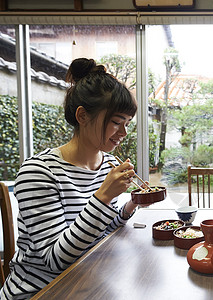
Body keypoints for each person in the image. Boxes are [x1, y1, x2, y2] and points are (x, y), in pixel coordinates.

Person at [1, 58, 141, 299]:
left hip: (88, 281)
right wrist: (103, 196)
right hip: (40, 291)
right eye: (117, 122)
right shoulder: (39, 172)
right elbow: (56, 260)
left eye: (127, 123)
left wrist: (132, 204)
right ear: (82, 116)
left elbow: (102, 230)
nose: (124, 133)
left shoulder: (108, 164)